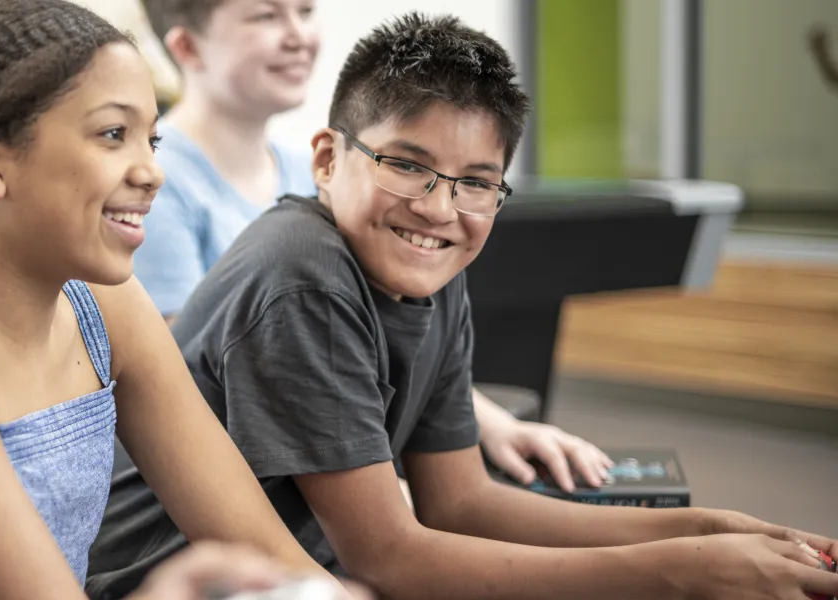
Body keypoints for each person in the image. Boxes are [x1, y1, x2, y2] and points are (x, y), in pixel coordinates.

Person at [87, 13, 838, 600]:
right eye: (407, 166)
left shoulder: (432, 273)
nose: (441, 208)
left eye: (477, 181)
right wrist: (687, 569)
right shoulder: (302, 275)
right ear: (326, 158)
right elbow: (394, 556)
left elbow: (460, 502)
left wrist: (712, 528)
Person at [0, 1, 355, 599]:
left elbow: (267, 553)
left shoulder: (105, 306)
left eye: (153, 138)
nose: (152, 172)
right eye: (113, 134)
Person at [129, 0, 610, 496]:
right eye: (266, 16)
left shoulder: (318, 174)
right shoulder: (156, 187)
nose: (298, 35)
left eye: (306, 11)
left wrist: (488, 424)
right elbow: (175, 378)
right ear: (186, 45)